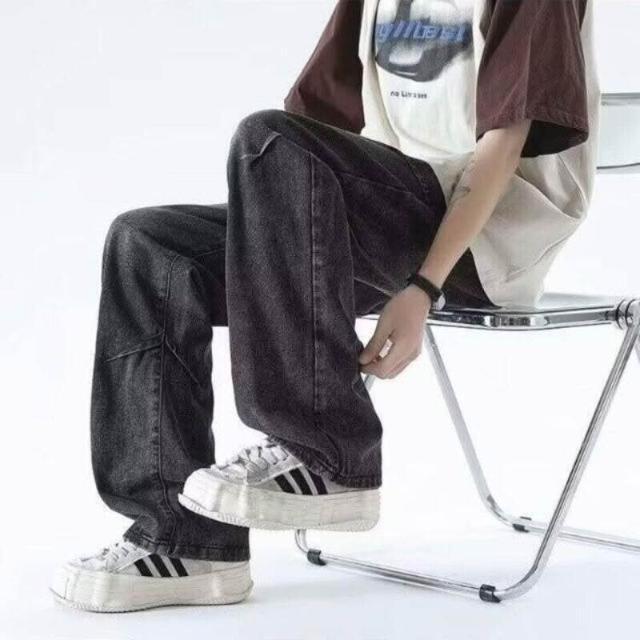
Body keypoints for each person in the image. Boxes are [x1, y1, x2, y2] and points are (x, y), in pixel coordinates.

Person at [52, 0, 599, 612]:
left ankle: (328, 453)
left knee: (267, 139)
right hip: (385, 214)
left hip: (485, 239)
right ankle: (185, 543)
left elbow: (505, 144)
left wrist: (424, 286)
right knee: (151, 247)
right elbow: (311, 125)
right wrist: (273, 240)